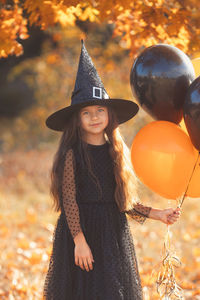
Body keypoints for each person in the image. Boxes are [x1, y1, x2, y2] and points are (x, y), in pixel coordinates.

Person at [43, 41, 181, 300]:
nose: (94, 117)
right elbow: (69, 199)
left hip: (112, 236)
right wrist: (79, 240)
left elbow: (123, 201)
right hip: (81, 232)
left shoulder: (116, 153)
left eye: (100, 110)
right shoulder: (72, 153)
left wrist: (159, 214)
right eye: (86, 112)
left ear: (109, 115)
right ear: (77, 119)